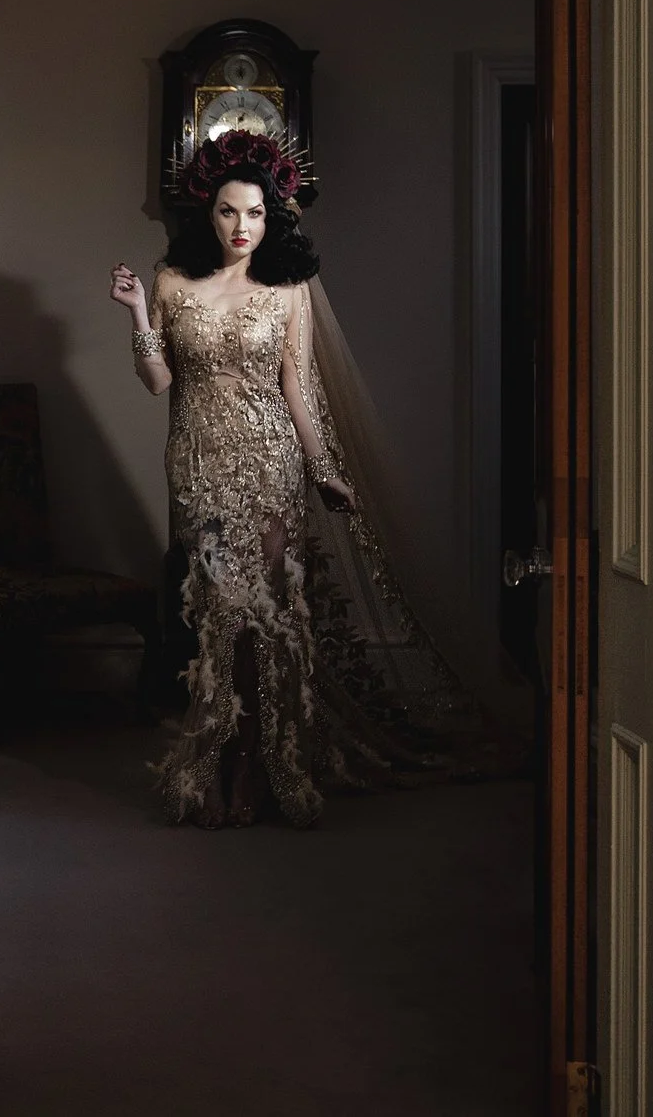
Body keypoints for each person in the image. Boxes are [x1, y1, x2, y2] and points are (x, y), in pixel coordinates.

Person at [109, 130, 480, 828]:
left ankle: (253, 763)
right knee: (220, 621)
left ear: (271, 216)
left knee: (259, 622)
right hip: (199, 465)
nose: (241, 226)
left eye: (254, 213)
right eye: (228, 212)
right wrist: (134, 314)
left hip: (269, 462)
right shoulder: (169, 284)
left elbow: (299, 392)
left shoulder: (286, 291)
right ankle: (220, 757)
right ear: (207, 213)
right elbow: (158, 382)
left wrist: (325, 470)